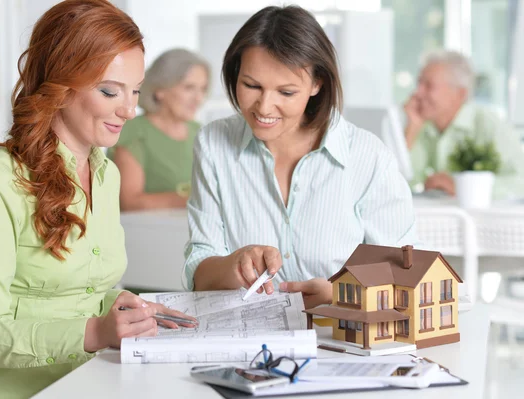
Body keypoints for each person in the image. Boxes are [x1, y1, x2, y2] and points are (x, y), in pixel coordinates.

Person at [0, 2, 194, 398]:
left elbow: (77, 292)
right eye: (110, 91)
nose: (129, 109)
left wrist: (118, 305)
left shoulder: (106, 174)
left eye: (135, 91)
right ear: (61, 83)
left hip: (73, 386)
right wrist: (95, 331)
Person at [183, 5, 416, 309]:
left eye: (287, 92)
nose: (264, 107)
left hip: (341, 338)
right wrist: (235, 264)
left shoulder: (368, 157)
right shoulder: (213, 144)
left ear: (317, 83)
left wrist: (339, 295)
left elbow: (405, 272)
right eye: (251, 85)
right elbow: (199, 270)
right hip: (249, 343)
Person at [404, 50, 524, 198]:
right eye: (419, 83)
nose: (417, 92)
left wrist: (462, 186)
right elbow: (399, 183)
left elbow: (521, 182)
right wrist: (411, 130)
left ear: (460, 93)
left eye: (429, 85)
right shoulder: (422, 124)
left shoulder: (489, 125)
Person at [108, 48, 210, 211]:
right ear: (160, 89)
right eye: (189, 88)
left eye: (202, 89)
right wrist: (191, 199)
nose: (198, 98)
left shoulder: (199, 132)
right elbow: (130, 202)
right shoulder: (134, 130)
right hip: (150, 232)